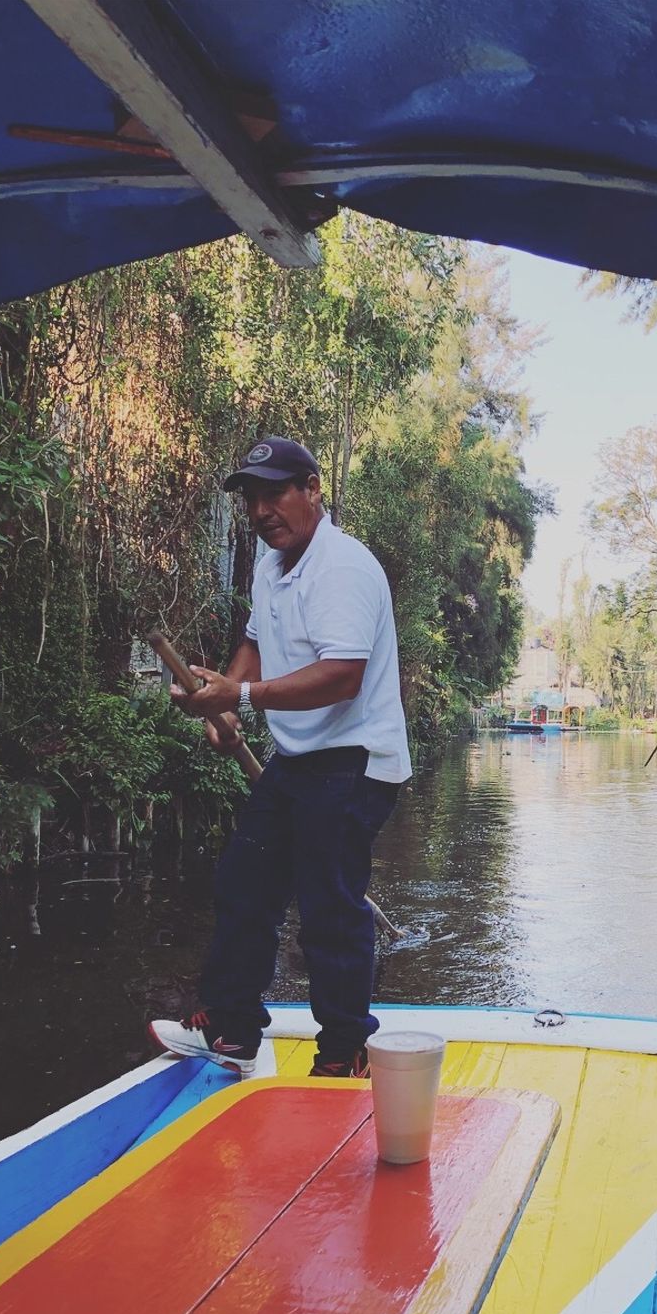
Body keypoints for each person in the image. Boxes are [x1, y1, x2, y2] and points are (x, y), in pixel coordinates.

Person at [148, 436, 410, 1079]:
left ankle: (346, 1050)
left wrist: (240, 692)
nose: (263, 510)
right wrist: (226, 705)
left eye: (276, 493)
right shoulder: (272, 564)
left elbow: (343, 676)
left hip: (355, 761)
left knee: (328, 908)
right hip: (300, 758)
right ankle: (232, 1027)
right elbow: (257, 642)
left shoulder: (342, 568)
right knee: (245, 884)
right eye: (253, 499)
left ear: (312, 490)